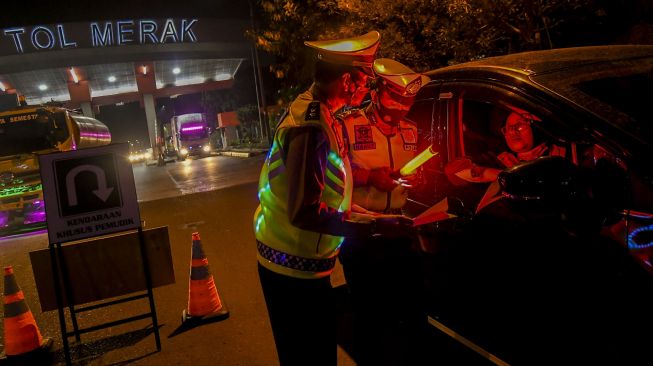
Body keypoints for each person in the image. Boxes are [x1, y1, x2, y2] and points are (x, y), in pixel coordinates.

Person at [252, 32, 414, 366]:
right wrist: (371, 230)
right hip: (293, 272)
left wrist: (378, 220)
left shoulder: (320, 113)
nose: (365, 89)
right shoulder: (311, 127)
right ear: (347, 80)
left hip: (301, 267)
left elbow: (332, 196)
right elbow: (305, 212)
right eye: (363, 82)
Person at [338, 58, 430, 365]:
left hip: (402, 229)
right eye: (394, 98)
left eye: (407, 101)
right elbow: (331, 170)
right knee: (371, 316)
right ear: (376, 93)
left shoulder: (410, 129)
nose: (401, 108)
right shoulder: (347, 125)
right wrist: (368, 177)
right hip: (363, 232)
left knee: (413, 310)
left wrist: (415, 178)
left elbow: (413, 171)